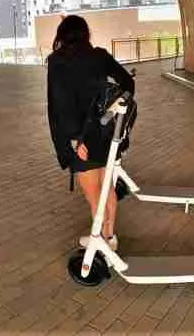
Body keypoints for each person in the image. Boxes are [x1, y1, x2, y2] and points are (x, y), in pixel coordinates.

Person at [46, 15, 134, 251]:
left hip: (81, 139)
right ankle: (110, 236)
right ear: (86, 34)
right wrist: (113, 110)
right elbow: (127, 83)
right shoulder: (100, 57)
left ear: (61, 36)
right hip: (107, 134)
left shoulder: (57, 62)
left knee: (95, 195)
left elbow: (61, 104)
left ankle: (100, 243)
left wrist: (74, 139)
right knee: (108, 188)